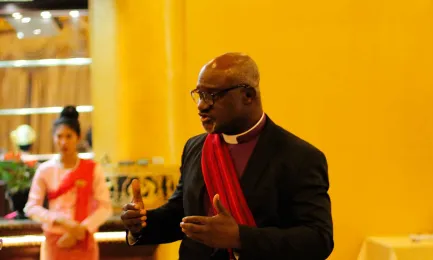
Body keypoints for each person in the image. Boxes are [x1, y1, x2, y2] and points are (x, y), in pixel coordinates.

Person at [121, 53, 333, 259]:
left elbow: (318, 239)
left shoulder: (300, 157)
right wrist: (142, 224)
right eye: (199, 94)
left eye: (213, 96)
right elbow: (182, 215)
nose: (201, 106)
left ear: (248, 96)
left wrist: (240, 238)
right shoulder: (195, 147)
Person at [24, 106, 113, 260]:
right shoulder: (45, 170)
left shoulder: (92, 169)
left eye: (68, 136)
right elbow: (31, 208)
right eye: (59, 136)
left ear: (78, 138)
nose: (63, 142)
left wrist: (80, 229)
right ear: (53, 138)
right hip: (55, 241)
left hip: (83, 239)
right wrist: (60, 220)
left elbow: (105, 207)